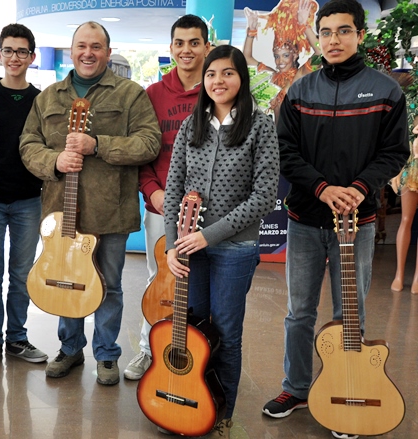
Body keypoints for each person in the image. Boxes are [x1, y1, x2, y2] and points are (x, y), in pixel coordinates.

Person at [262, 1, 409, 438]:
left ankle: (350, 385)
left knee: (351, 311)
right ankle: (297, 388)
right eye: (325, 32)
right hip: (306, 219)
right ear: (318, 37)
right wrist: (324, 188)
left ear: (360, 35)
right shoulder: (300, 91)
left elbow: (395, 152)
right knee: (299, 312)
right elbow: (285, 151)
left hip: (358, 222)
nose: (333, 40)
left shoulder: (386, 91)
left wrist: (360, 189)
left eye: (343, 31)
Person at [20, 21, 161, 386]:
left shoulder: (131, 94)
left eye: (96, 46)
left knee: (109, 285)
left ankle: (106, 354)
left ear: (108, 53)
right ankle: (69, 349)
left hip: (110, 211)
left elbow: (149, 142)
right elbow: (28, 144)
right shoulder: (48, 97)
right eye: (81, 45)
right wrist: (53, 161)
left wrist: (98, 145)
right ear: (71, 50)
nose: (88, 53)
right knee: (65, 278)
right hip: (60, 210)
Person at [162, 45, 279, 437]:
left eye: (227, 73)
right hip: (188, 250)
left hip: (235, 250)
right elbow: (173, 188)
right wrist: (170, 245)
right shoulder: (190, 127)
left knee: (226, 331)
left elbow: (263, 197)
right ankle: (191, 394)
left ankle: (223, 407)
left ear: (241, 78)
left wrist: (205, 235)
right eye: (211, 74)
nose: (218, 81)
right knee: (192, 329)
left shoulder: (260, 127)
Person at [124, 14, 210, 381]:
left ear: (207, 46)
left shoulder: (220, 90)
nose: (186, 50)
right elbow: (143, 152)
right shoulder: (153, 95)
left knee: (204, 285)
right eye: (179, 43)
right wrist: (152, 192)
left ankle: (201, 356)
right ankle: (149, 351)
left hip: (211, 214)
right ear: (171, 47)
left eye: (194, 42)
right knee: (159, 281)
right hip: (162, 207)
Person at [0, 23, 47, 368]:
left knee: (21, 274)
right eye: (8, 50)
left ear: (32, 57)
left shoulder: (41, 100)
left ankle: (17, 337)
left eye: (22, 51)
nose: (14, 57)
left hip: (29, 199)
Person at [243, 0, 320, 120]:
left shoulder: (300, 75)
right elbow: (246, 58)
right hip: (274, 136)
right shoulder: (274, 76)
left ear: (294, 55)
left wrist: (304, 26)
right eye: (276, 56)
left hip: (296, 136)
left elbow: (321, 53)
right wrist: (251, 31)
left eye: (285, 55)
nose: (280, 61)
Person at [391, 117, 418, 293]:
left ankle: (417, 277)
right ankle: (399, 274)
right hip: (410, 166)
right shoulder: (407, 97)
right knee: (406, 219)